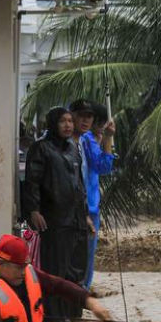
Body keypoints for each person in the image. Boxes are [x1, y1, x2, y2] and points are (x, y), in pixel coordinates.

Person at [22, 107, 90, 322]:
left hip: (76, 220)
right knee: (55, 272)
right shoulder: (41, 148)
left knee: (76, 272)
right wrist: (34, 210)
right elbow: (32, 181)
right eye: (63, 121)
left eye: (70, 120)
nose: (68, 125)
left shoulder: (73, 148)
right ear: (53, 123)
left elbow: (79, 185)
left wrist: (86, 215)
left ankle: (74, 316)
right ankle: (54, 318)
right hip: (54, 219)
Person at [69, 100, 116, 288]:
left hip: (87, 205)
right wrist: (108, 139)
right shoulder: (87, 139)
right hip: (87, 207)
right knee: (85, 257)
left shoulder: (84, 139)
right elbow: (103, 166)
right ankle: (82, 293)